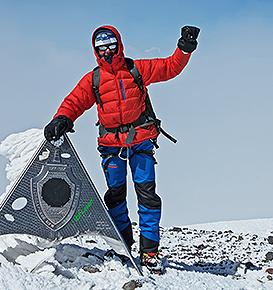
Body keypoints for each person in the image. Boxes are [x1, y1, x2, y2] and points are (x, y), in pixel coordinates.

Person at [44, 24, 200, 274]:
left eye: (110, 46)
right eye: (101, 48)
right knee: (116, 197)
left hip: (140, 144)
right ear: (96, 51)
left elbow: (171, 67)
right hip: (110, 147)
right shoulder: (93, 79)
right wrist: (61, 118)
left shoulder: (136, 69)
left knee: (147, 196)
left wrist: (185, 48)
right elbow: (74, 101)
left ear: (119, 45)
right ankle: (122, 247)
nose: (107, 51)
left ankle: (149, 253)